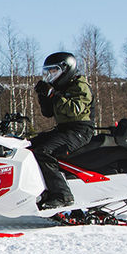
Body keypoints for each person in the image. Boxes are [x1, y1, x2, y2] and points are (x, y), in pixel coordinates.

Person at [32, 51, 94, 211]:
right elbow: (48, 113)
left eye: (54, 72)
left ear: (66, 70)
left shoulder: (80, 86)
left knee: (43, 151)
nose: (51, 76)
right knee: (28, 146)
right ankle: (39, 190)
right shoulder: (61, 87)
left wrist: (54, 95)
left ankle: (62, 196)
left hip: (80, 130)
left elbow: (75, 109)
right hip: (64, 129)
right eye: (48, 72)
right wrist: (43, 96)